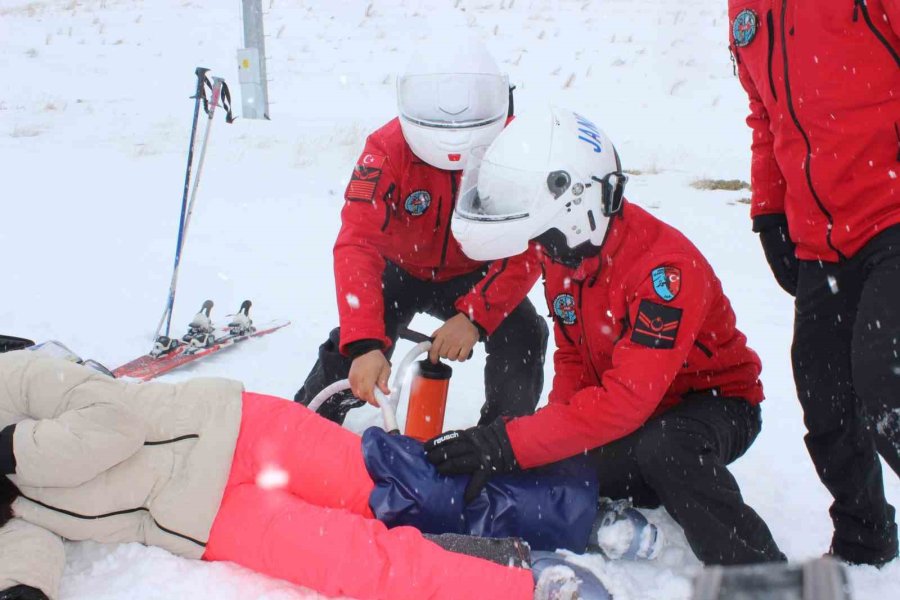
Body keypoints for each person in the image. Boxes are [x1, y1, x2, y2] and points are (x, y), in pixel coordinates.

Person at [425, 106, 786, 566]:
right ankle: (654, 485)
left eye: (545, 236)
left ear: (580, 209)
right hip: (641, 411)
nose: (539, 249)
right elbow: (573, 359)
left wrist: (506, 442)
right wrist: (541, 440)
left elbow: (623, 402)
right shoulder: (566, 256)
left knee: (667, 449)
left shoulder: (665, 272)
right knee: (558, 460)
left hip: (716, 404)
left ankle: (761, 573)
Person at [0, 350, 615, 600]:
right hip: (208, 518)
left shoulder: (12, 376)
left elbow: (112, 424)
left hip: (237, 430)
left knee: (414, 487)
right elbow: (26, 536)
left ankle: (586, 511)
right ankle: (522, 582)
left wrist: (11, 449)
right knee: (362, 564)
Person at [295, 36, 548, 425]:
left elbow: (532, 242)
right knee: (353, 345)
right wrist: (364, 344)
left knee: (525, 333)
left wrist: (476, 316)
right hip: (402, 270)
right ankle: (303, 426)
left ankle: (503, 441)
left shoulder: (516, 149)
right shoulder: (385, 150)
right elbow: (357, 243)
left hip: (474, 270)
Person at [728, 0, 900, 566]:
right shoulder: (744, 9)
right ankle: (864, 538)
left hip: (893, 217)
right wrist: (769, 211)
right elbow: (765, 116)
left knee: (885, 378)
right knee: (822, 391)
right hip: (823, 239)